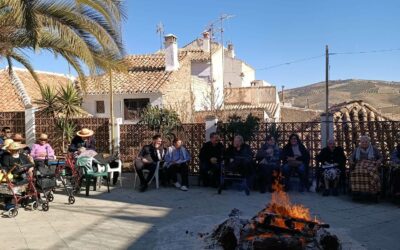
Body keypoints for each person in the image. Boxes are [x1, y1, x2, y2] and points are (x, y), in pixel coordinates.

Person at [1, 142, 34, 211]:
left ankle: (25, 200)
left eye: (16, 150)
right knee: (8, 186)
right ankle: (8, 203)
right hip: (12, 175)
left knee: (27, 179)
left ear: (19, 149)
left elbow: (30, 164)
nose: (15, 151)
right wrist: (4, 170)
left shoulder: (22, 156)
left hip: (23, 174)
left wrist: (28, 167)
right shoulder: (7, 157)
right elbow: (5, 167)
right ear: (10, 150)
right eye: (13, 150)